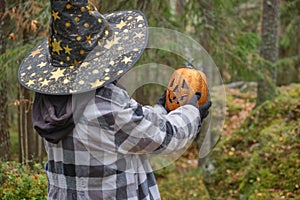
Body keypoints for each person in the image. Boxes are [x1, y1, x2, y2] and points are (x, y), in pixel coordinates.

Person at [18, 0, 211, 199]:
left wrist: (161, 109)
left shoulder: (51, 100)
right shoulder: (105, 104)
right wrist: (192, 111)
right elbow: (165, 137)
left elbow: (130, 128)